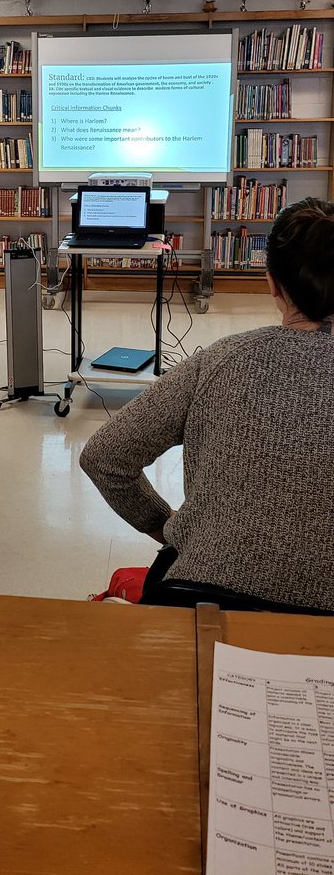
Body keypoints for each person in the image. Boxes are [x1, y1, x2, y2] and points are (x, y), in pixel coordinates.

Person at [80, 197, 334, 613]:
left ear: (271, 283)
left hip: (202, 597)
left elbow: (104, 457)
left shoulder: (221, 360)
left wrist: (171, 528)